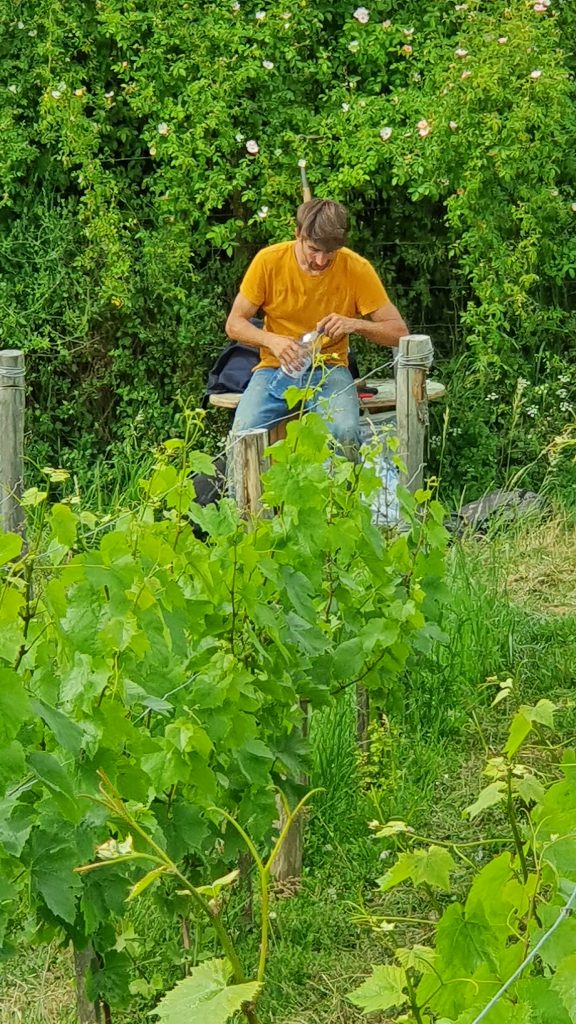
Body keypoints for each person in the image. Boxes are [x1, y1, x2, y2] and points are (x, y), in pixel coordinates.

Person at [225, 199, 408, 455]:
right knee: (242, 432)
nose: (321, 261)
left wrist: (353, 324)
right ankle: (242, 495)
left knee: (344, 432)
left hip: (329, 367)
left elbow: (399, 333)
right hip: (275, 369)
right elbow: (234, 324)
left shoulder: (356, 268)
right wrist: (273, 341)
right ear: (298, 234)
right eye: (313, 250)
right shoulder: (268, 261)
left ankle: (342, 495)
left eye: (330, 253)